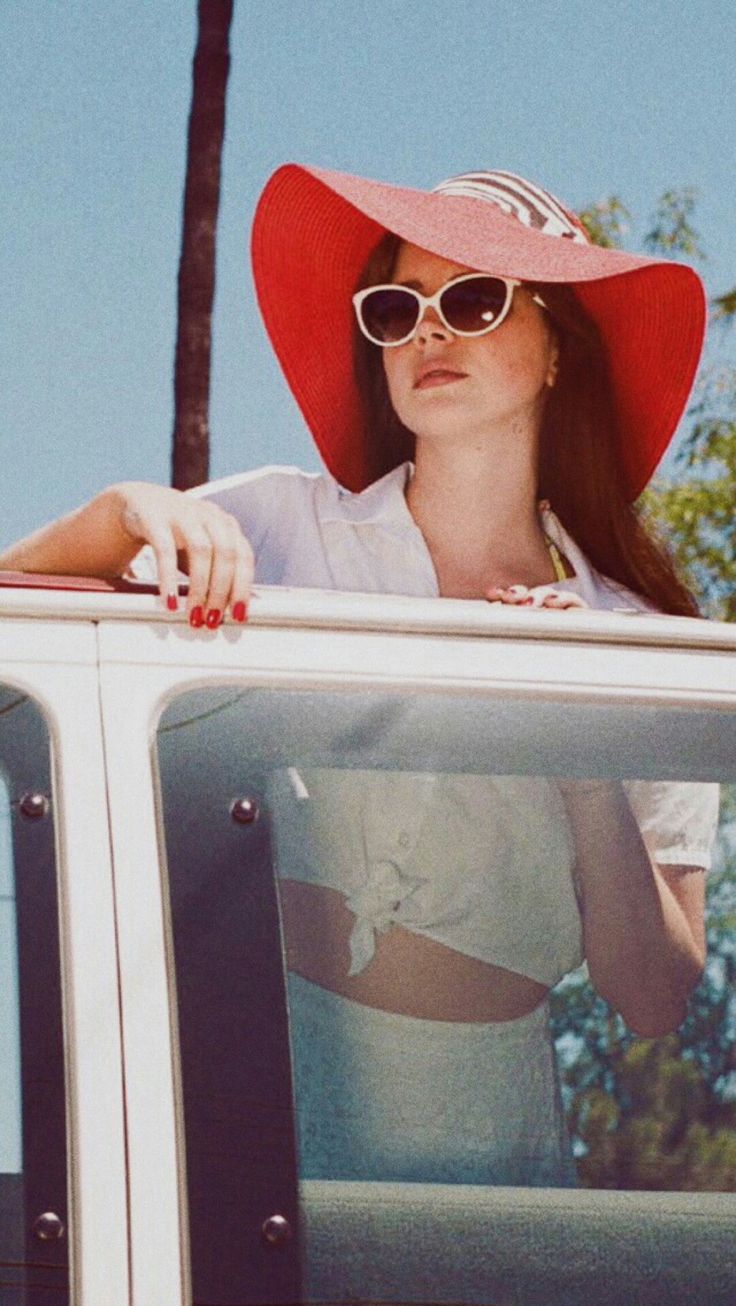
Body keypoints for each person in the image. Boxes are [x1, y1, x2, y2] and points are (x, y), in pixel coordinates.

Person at [0, 164, 719, 1186]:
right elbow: (20, 621)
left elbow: (651, 997)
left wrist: (580, 747)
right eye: (396, 309)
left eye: (473, 297)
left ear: (557, 345)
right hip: (259, 1083)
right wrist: (124, 512)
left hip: (486, 1139)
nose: (429, 331)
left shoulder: (630, 638)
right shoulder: (283, 523)